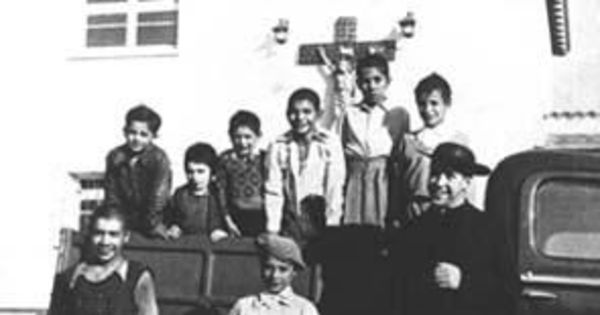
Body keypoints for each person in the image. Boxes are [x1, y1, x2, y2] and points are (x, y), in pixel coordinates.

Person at [392, 142, 518, 315]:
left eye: (449, 176)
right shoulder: (415, 229)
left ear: (466, 183)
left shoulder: (487, 229)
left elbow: (509, 293)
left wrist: (464, 282)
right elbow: (398, 291)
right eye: (435, 174)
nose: (438, 183)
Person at [265, 88, 345, 244]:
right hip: (290, 221)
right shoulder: (278, 145)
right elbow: (273, 189)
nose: (300, 117)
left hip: (319, 219)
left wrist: (332, 225)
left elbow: (334, 187)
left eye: (307, 112)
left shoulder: (329, 143)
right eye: (294, 112)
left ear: (318, 114)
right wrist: (272, 228)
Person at [48, 205, 159, 315]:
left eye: (113, 234)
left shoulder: (137, 277)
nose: (105, 241)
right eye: (99, 233)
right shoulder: (71, 278)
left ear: (125, 237)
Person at [341, 53, 410, 228]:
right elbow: (340, 150)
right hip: (354, 178)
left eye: (377, 80)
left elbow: (403, 154)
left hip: (383, 179)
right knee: (353, 231)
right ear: (358, 84)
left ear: (388, 81)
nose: (371, 86)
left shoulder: (398, 114)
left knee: (379, 230)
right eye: (365, 81)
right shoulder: (349, 114)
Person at [391, 73, 470, 223]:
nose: (428, 109)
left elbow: (466, 185)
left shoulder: (458, 141)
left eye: (434, 103)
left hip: (447, 212)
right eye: (422, 104)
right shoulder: (408, 141)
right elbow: (397, 183)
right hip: (413, 212)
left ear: (447, 104)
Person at [104, 104, 172, 239]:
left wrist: (152, 226)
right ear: (125, 131)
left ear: (153, 136)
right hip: (125, 223)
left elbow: (158, 198)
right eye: (132, 132)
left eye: (143, 135)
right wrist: (118, 225)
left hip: (153, 223)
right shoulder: (115, 157)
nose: (136, 139)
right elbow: (112, 196)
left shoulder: (159, 159)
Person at [229, 233, 319, 315]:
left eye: (283, 269)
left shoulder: (304, 309)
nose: (275, 275)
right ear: (261, 268)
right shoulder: (244, 306)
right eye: (268, 268)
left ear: (294, 272)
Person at [216, 110, 267, 237]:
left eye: (248, 137)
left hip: (262, 217)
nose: (243, 143)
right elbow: (221, 192)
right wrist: (228, 220)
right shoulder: (225, 160)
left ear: (258, 136)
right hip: (235, 218)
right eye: (237, 137)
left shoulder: (265, 158)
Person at [164, 142, 227, 241]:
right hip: (187, 247)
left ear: (212, 173)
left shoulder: (219, 195)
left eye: (200, 171)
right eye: (190, 172)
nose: (195, 177)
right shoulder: (180, 194)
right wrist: (175, 227)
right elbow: (172, 218)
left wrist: (220, 231)